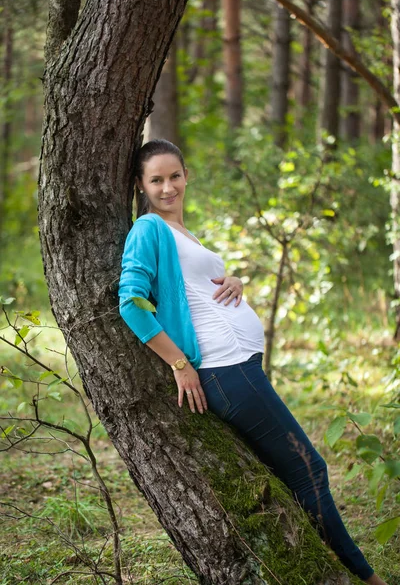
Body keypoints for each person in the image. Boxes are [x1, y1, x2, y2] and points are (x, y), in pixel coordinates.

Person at [118, 139, 387, 585]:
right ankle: (366, 577)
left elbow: (197, 287)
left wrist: (234, 278)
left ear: (187, 175)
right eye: (156, 180)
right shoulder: (148, 229)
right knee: (310, 468)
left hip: (239, 368)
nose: (168, 187)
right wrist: (180, 364)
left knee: (290, 473)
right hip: (225, 372)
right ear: (141, 186)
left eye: (175, 176)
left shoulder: (182, 232)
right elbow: (131, 303)